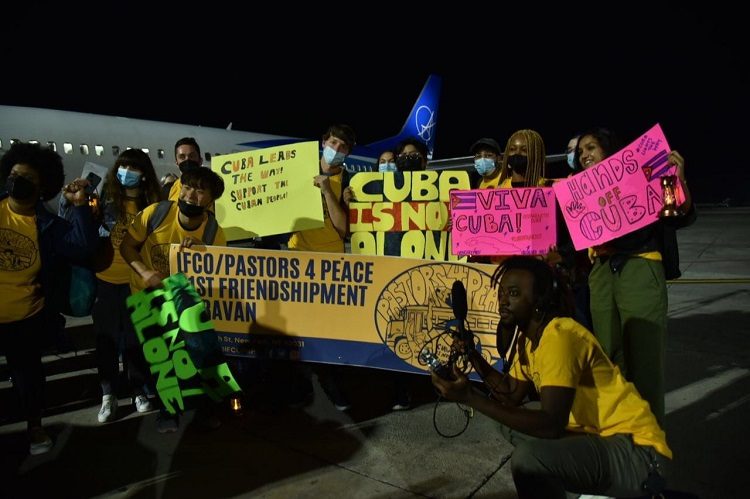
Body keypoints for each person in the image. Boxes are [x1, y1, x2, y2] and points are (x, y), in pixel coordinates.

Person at [431, 256, 671, 498]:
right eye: (501, 293)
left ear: (538, 301)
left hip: (638, 453)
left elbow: (551, 425)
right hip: (598, 436)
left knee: (529, 459)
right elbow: (510, 395)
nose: (503, 301)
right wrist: (473, 356)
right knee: (506, 419)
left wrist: (470, 397)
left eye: (514, 293)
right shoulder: (528, 340)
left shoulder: (560, 337)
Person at [573, 127, 694, 426]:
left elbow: (678, 214)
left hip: (640, 264)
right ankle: (620, 431)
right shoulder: (579, 191)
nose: (585, 155)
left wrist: (678, 180)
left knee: (645, 359)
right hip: (602, 270)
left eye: (591, 147)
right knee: (609, 356)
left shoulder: (642, 177)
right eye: (580, 152)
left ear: (609, 149)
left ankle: (648, 441)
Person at [0, 142, 98, 454]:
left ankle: (35, 427)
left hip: (25, 318)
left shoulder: (49, 226)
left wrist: (79, 206)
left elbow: (83, 248)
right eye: (14, 175)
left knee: (29, 380)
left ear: (42, 187)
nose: (18, 181)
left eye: (27, 178)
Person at [120, 166, 226, 431]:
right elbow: (127, 246)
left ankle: (204, 408)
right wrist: (145, 272)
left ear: (211, 200)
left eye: (199, 191)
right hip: (146, 297)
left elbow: (219, 272)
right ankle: (168, 411)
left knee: (198, 357)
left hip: (185, 301)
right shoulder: (156, 213)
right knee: (161, 361)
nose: (190, 195)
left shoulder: (214, 232)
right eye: (187, 187)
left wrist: (204, 254)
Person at [60, 149, 162, 423]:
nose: (126, 172)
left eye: (133, 167)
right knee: (106, 342)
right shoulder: (104, 200)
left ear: (144, 174)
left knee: (135, 341)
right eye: (122, 166)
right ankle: (108, 394)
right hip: (105, 280)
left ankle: (138, 389)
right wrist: (75, 202)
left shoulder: (154, 206)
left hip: (137, 284)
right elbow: (73, 224)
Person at [287, 124, 356, 411]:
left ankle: (332, 385)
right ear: (323, 141)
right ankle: (302, 388)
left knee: (327, 330)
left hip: (330, 263)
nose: (336, 149)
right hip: (297, 258)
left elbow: (343, 230)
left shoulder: (348, 181)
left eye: (343, 147)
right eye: (333, 142)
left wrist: (328, 191)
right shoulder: (298, 169)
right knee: (296, 330)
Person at [162, 137, 203, 201]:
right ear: (176, 162)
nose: (187, 159)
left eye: (191, 156)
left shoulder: (212, 188)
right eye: (182, 157)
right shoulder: (169, 190)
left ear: (200, 160)